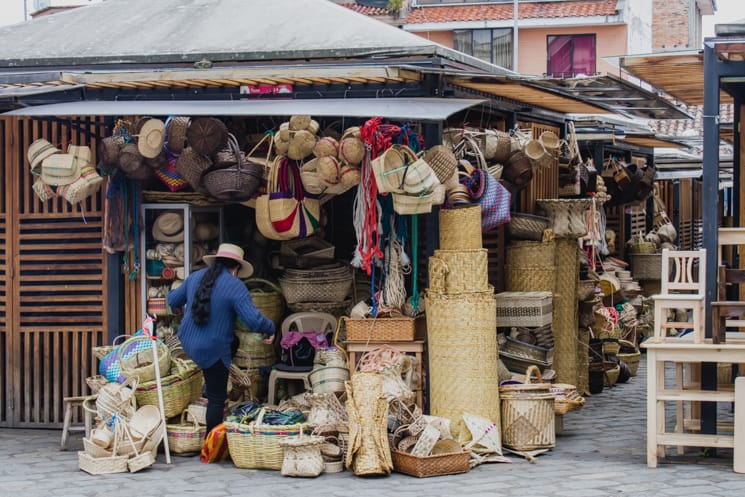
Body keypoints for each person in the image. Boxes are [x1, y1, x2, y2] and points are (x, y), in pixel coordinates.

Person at [167, 243, 275, 434]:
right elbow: (253, 321)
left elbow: (173, 300)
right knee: (216, 401)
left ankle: (210, 383)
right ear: (236, 269)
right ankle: (211, 448)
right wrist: (270, 328)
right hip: (211, 349)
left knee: (234, 342)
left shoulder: (195, 277)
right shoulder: (235, 286)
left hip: (186, 343)